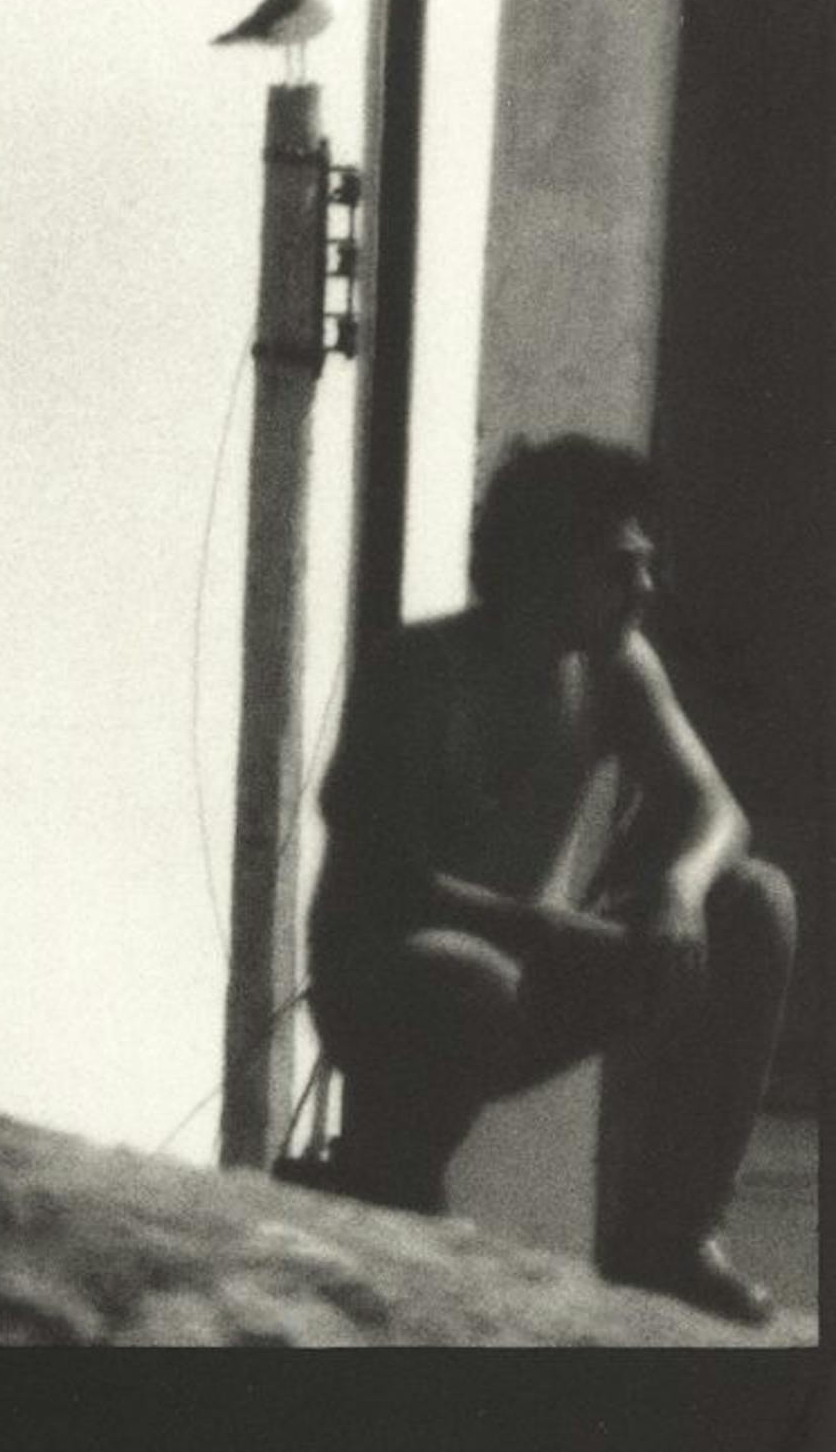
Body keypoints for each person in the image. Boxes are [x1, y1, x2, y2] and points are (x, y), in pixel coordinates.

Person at [307, 435, 796, 1324]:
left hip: (526, 974)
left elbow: (717, 810)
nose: (644, 588)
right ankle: (395, 1189)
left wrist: (680, 892)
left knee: (756, 901)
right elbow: (390, 885)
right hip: (390, 988)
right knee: (465, 974)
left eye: (645, 564)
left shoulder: (615, 664)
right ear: (539, 563)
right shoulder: (416, 672)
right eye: (619, 566)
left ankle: (670, 1239)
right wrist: (563, 932)